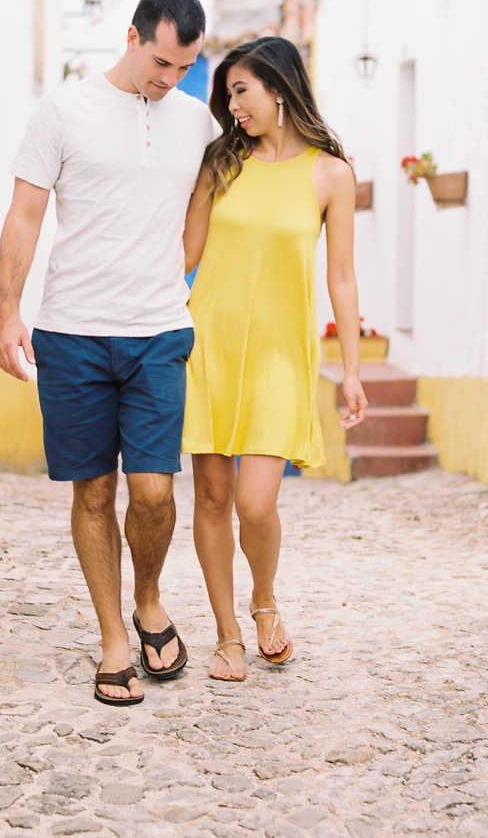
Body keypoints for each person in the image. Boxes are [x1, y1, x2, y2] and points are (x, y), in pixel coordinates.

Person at [0, 0, 219, 707]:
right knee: (94, 491)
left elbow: (207, 219)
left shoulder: (197, 124)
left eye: (183, 67)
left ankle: (148, 598)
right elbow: (26, 216)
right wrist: (8, 311)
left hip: (158, 330)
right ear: (130, 36)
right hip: (72, 331)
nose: (168, 79)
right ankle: (114, 641)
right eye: (159, 61)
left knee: (153, 490)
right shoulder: (63, 111)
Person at [182, 35, 367, 682]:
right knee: (211, 495)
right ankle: (228, 635)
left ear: (280, 89)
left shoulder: (330, 173)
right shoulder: (220, 164)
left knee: (256, 503)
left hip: (279, 359)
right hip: (208, 345)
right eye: (227, 93)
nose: (231, 105)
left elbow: (341, 278)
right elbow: (185, 255)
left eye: (241, 90)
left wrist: (350, 372)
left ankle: (264, 601)